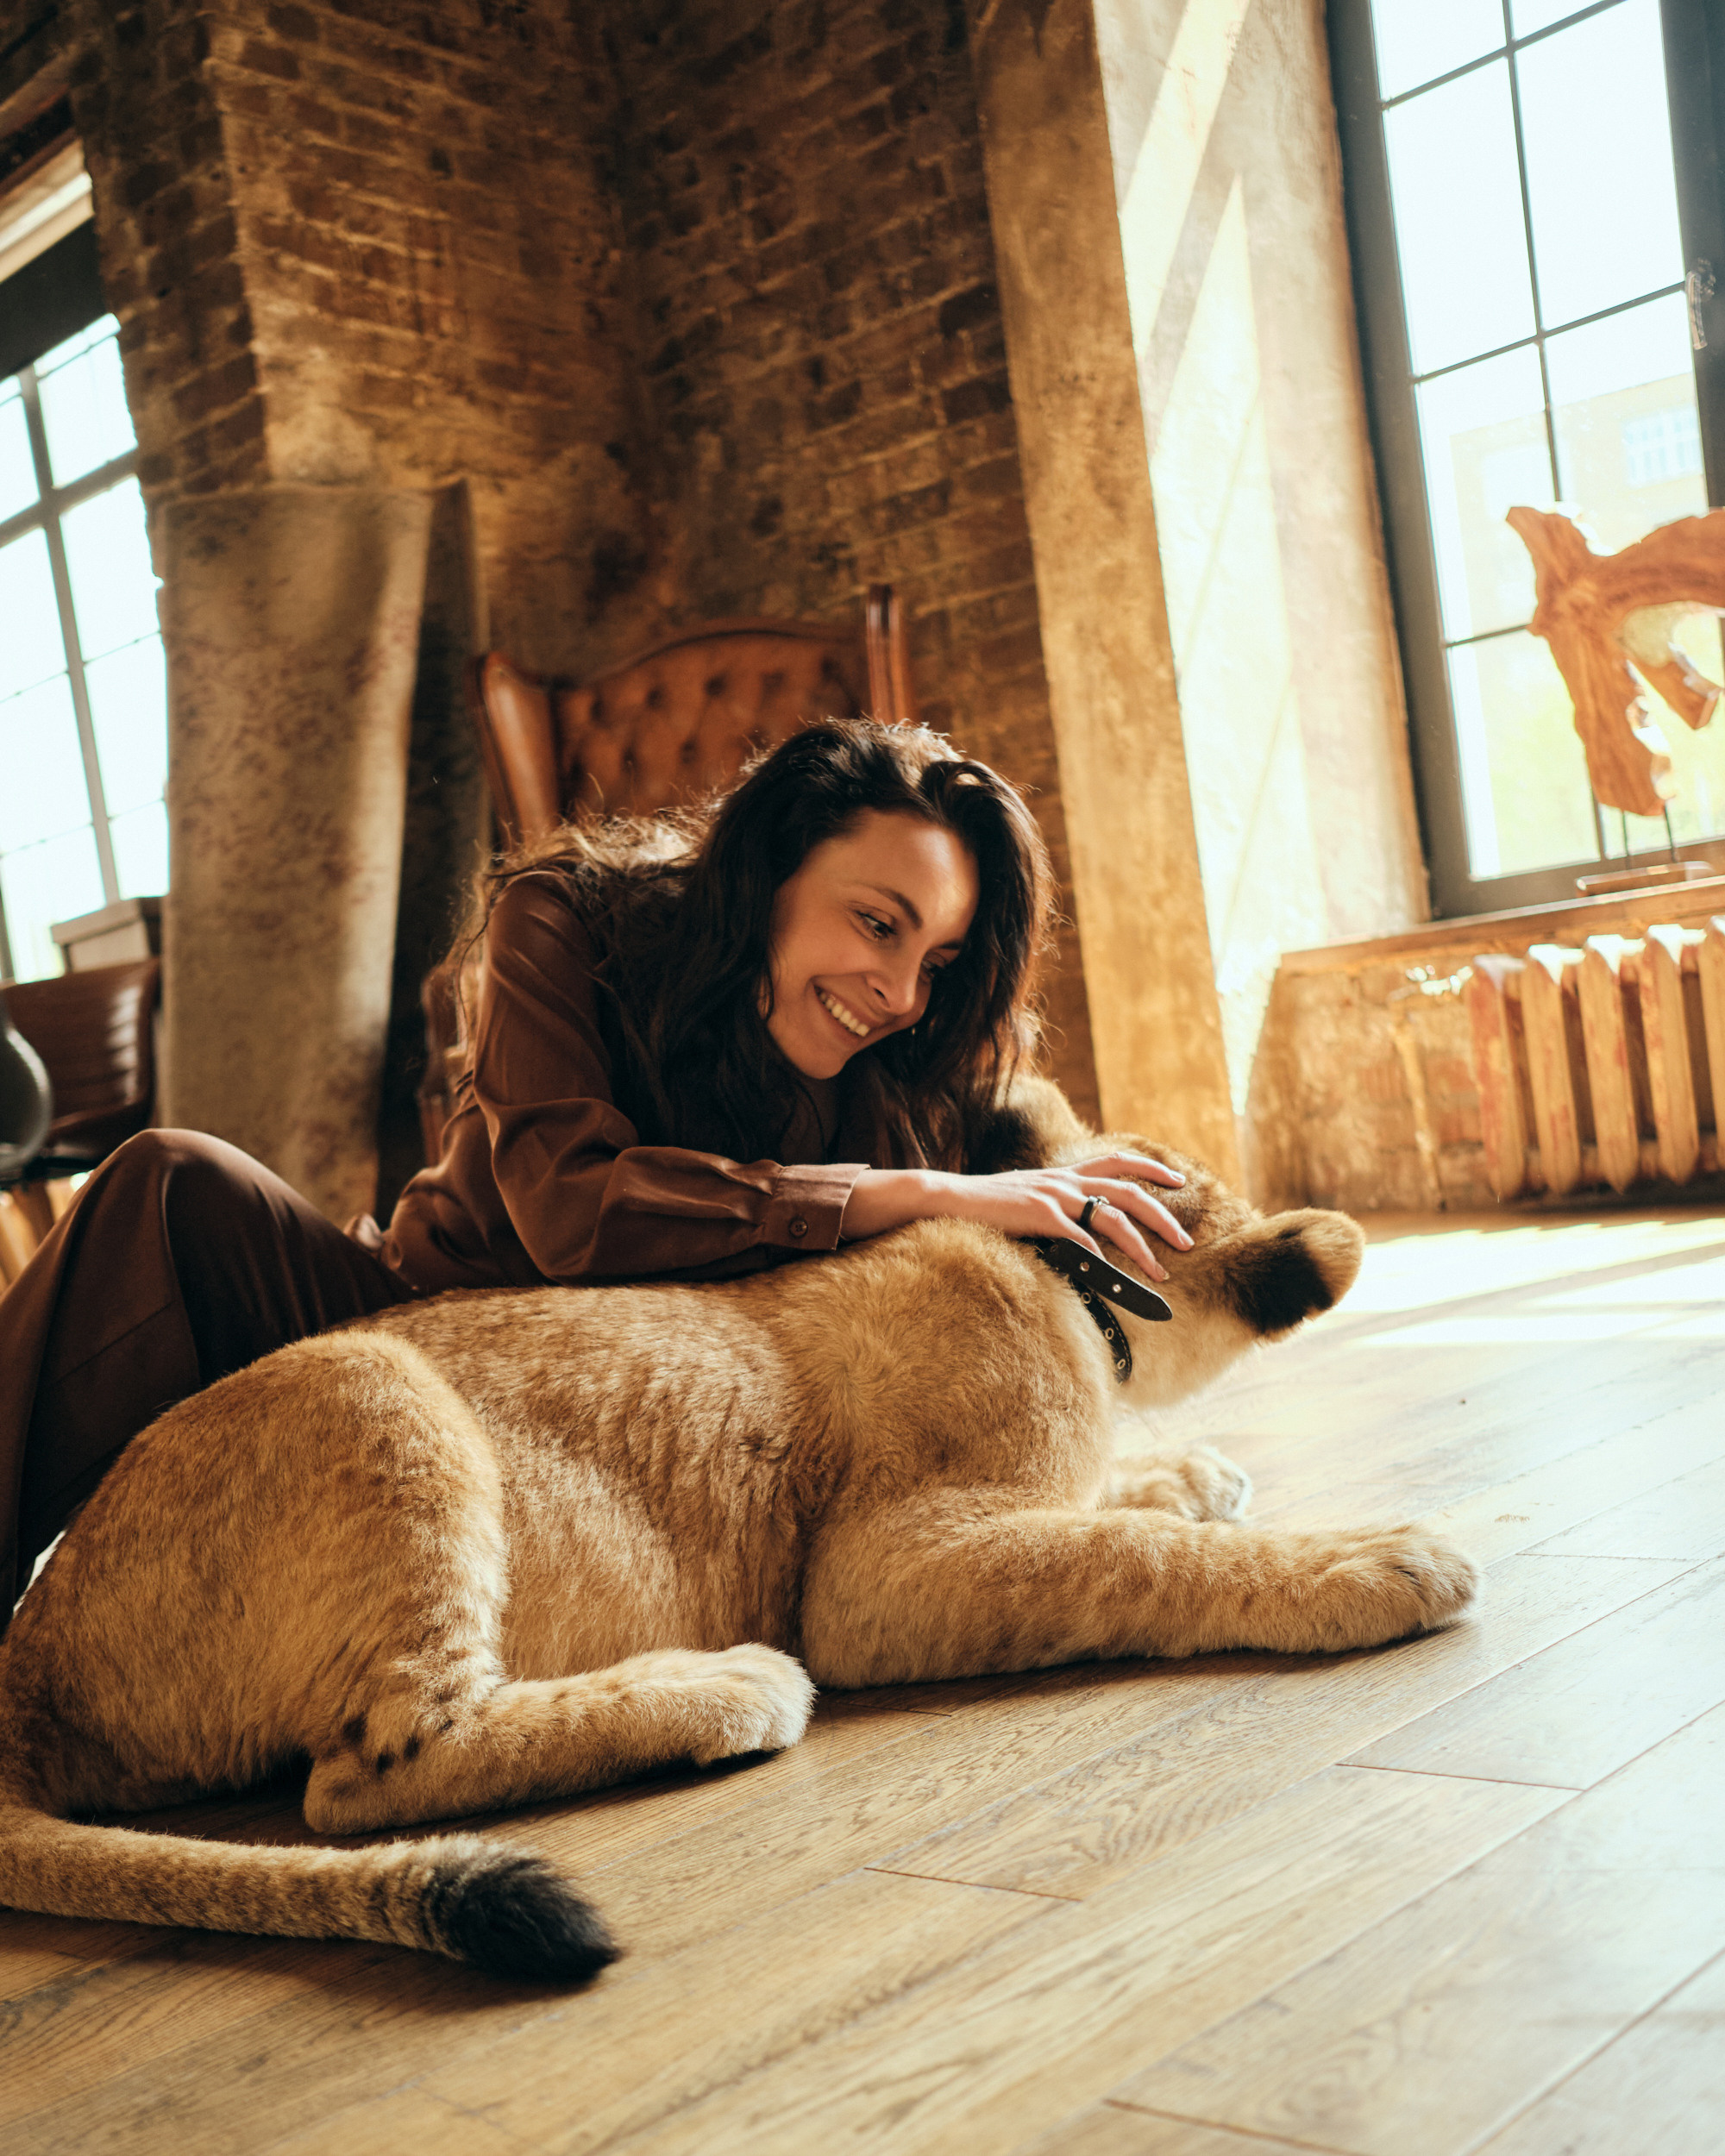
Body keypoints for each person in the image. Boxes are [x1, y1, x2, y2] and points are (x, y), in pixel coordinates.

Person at [0, 719, 1189, 1619]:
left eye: (938, 957)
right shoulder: (563, 917)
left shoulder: (909, 1054)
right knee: (169, 1181)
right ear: (768, 872)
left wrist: (1065, 1179)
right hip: (416, 1323)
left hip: (634, 1447)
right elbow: (570, 1212)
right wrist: (906, 1193)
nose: (899, 991)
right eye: (876, 923)